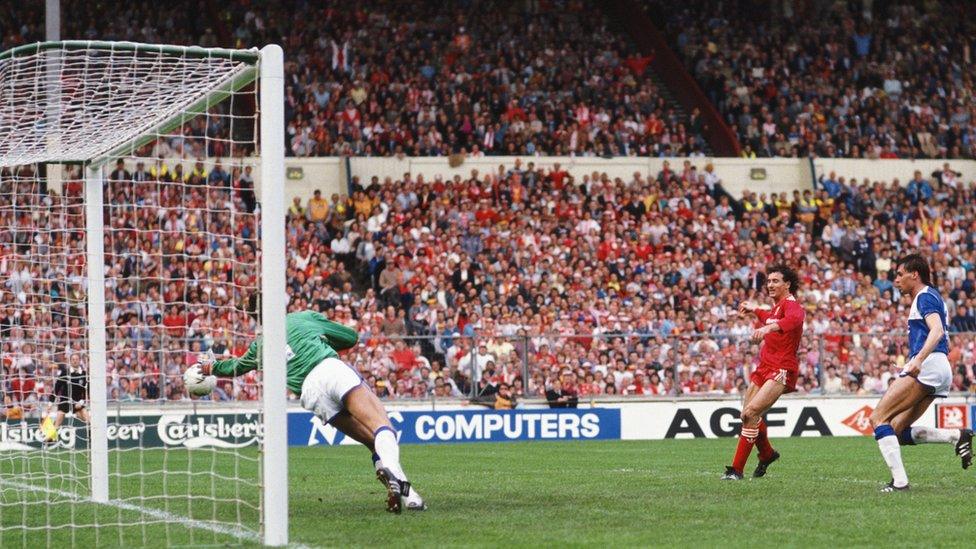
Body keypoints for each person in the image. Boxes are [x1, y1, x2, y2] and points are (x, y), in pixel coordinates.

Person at [186, 310, 426, 512]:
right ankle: (399, 481)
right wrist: (322, 340)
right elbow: (350, 337)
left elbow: (235, 367)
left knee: (373, 443)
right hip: (329, 369)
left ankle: (410, 496)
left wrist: (210, 367)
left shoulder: (260, 344)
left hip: (310, 393)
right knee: (382, 428)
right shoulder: (301, 318)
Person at [868, 254, 973, 492]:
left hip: (929, 366)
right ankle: (957, 436)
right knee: (896, 430)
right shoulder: (930, 296)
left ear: (914, 274)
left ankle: (900, 483)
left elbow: (935, 331)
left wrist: (918, 360)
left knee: (878, 418)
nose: (896, 281)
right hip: (938, 367)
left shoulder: (924, 296)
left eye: (899, 275)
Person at [722, 265, 804, 480]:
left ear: (787, 284)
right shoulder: (777, 308)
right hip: (764, 366)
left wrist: (768, 329)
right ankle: (766, 453)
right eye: (768, 281)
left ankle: (736, 471)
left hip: (781, 368)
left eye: (775, 281)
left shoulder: (792, 305)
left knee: (751, 414)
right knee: (746, 416)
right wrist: (753, 309)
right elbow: (768, 316)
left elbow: (793, 320)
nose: (770, 285)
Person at [42, 353, 90, 443]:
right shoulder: (65, 373)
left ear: (79, 361)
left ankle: (92, 435)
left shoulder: (84, 374)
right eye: (73, 359)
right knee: (59, 419)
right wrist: (50, 404)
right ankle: (51, 437)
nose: (75, 361)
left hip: (77, 402)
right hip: (65, 400)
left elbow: (88, 391)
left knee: (87, 418)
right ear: (70, 361)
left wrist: (82, 402)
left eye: (77, 359)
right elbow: (57, 388)